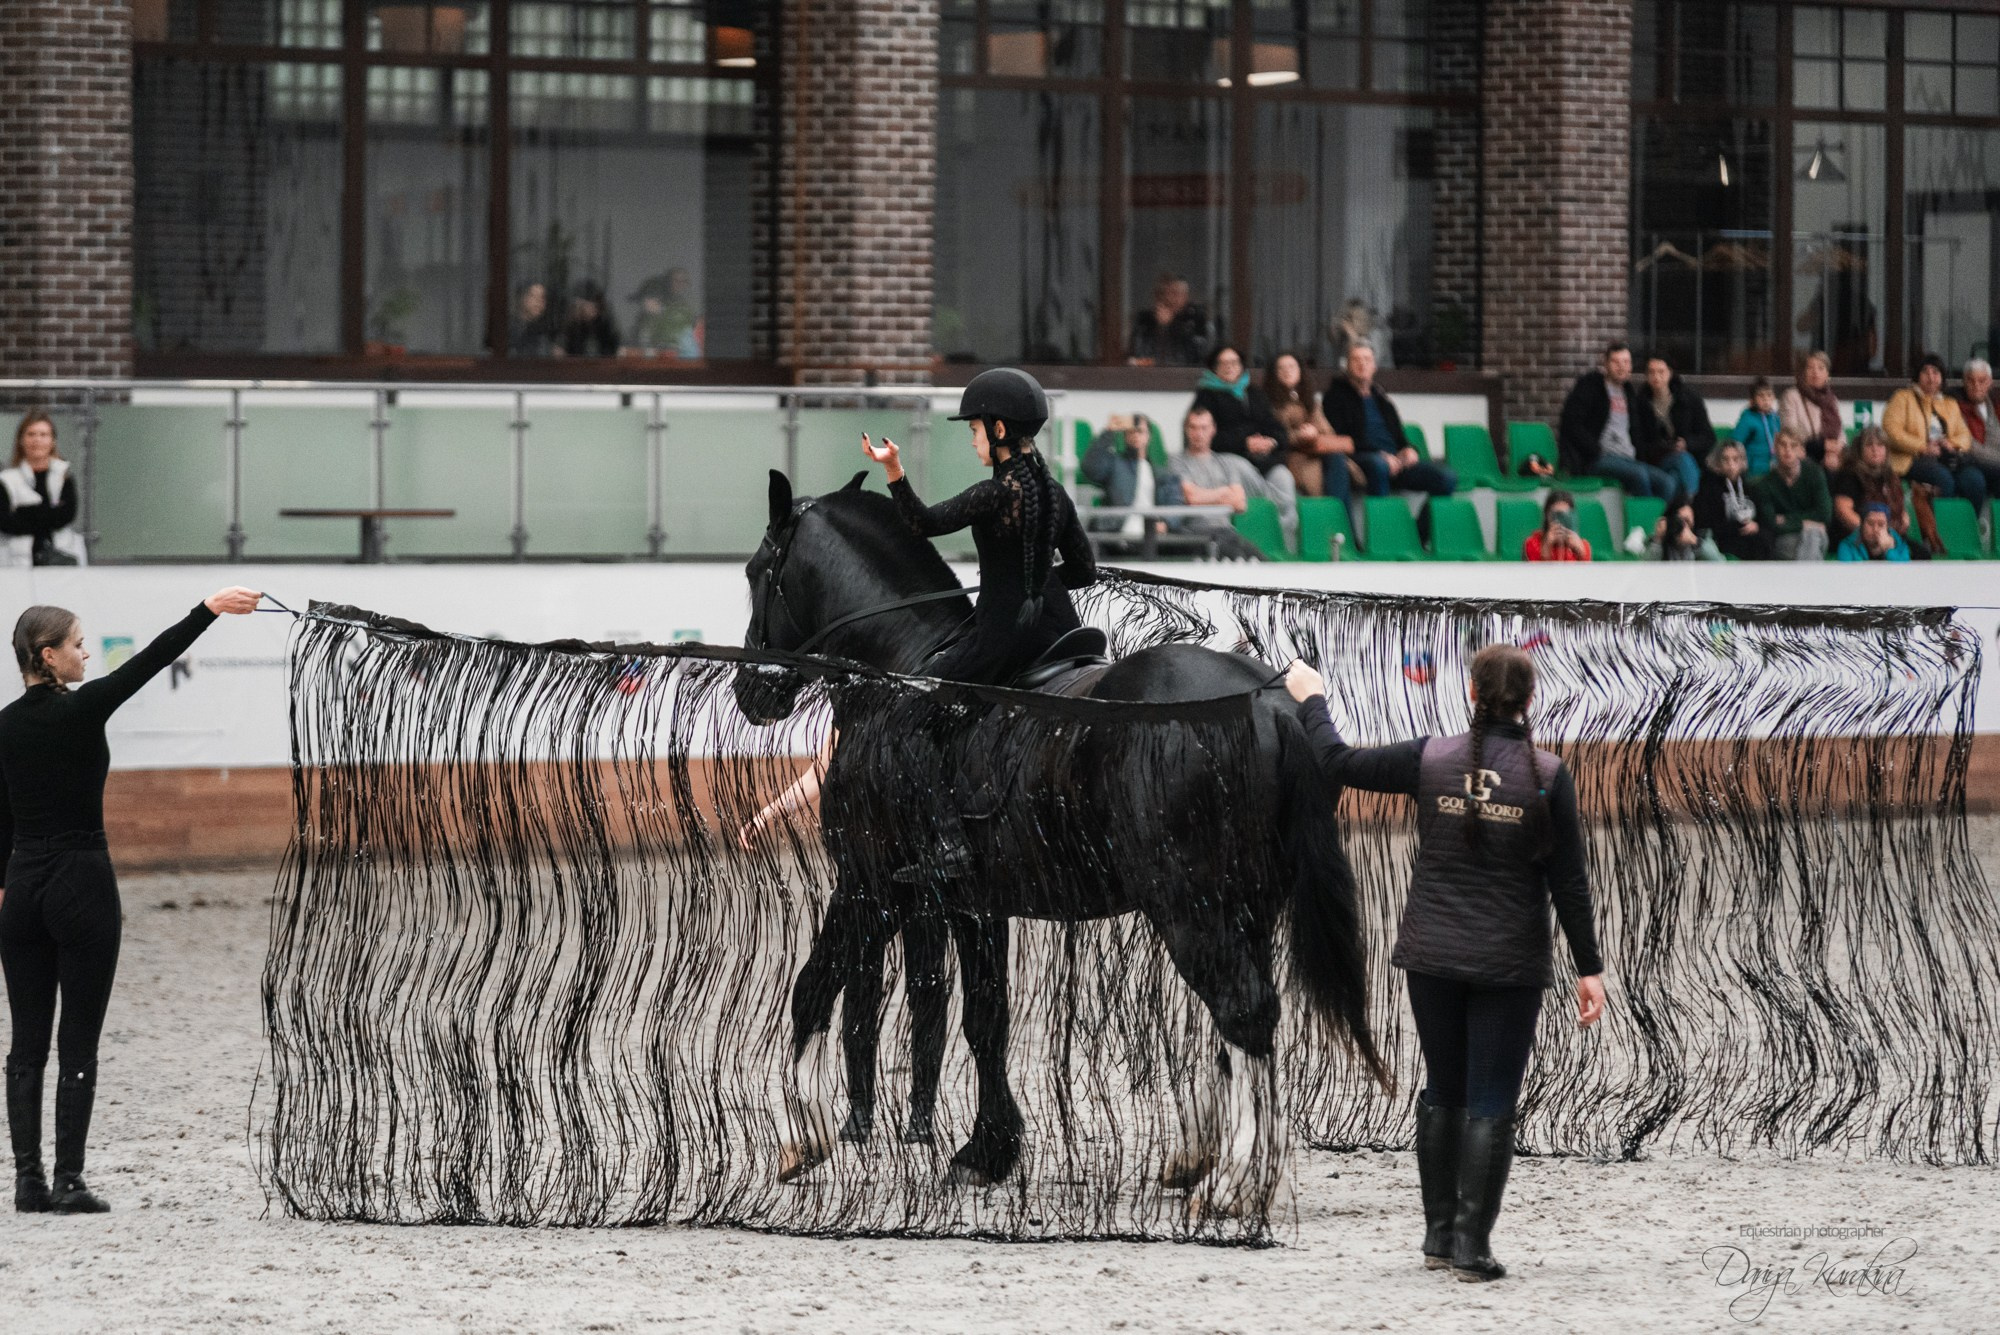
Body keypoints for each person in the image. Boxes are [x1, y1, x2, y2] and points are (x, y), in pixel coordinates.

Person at [1283, 646, 1605, 1284]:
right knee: (1491, 1099)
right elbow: (1569, 881)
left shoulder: (1428, 758)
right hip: (1508, 964)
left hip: (1430, 956)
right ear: (1530, 702)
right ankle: (1472, 1249)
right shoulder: (1548, 774)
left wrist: (1312, 697)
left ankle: (1437, 1238)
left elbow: (1336, 761)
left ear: (1471, 694)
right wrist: (1587, 967)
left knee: (1444, 1090)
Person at [3, 586, 263, 1214]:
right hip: (82, 880)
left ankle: (28, 1183)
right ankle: (68, 1181)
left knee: (26, 1042)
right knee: (79, 1040)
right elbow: (152, 659)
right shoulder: (83, 709)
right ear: (48, 656)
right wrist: (207, 610)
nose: (86, 655)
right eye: (78, 645)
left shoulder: (3, 725)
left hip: (22, 885)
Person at [1321, 343, 1457, 499]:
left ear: (1374, 367)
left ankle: (1421, 516)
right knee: (1379, 465)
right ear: (1347, 366)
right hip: (1362, 458)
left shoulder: (1382, 400)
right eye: (1356, 359)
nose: (1362, 364)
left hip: (1395, 460)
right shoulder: (1335, 398)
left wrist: (1408, 450)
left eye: (1367, 360)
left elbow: (1399, 436)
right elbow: (1342, 439)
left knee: (1446, 477)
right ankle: (1381, 514)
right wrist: (1380, 454)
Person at [1557, 342, 1677, 499]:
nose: (1621, 367)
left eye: (1626, 362)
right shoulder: (1591, 387)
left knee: (1667, 483)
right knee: (1639, 475)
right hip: (1599, 459)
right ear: (1605, 363)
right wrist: (1595, 449)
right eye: (1616, 362)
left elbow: (1639, 432)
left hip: (1628, 458)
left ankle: (1655, 514)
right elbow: (1571, 424)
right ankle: (1644, 514)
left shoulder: (1630, 393)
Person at [1171, 405, 1296, 545]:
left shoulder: (1226, 462)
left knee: (1256, 556)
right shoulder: (1176, 461)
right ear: (1186, 429)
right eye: (1193, 427)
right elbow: (1192, 497)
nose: (1198, 434)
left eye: (1203, 428)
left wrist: (1204, 495)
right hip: (1194, 532)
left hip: (1226, 532)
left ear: (1213, 429)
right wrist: (1225, 493)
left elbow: (1239, 503)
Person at [1883, 353, 1976, 503]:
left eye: (1935, 372)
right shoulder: (1902, 397)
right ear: (1917, 375)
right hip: (1911, 459)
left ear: (1942, 377)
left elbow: (1965, 435)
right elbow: (1891, 431)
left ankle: (1968, 518)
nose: (1931, 377)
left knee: (1974, 481)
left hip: (1944, 458)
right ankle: (1940, 519)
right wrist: (1923, 447)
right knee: (1944, 480)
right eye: (1925, 372)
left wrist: (1951, 444)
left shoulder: (1950, 403)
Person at [0, 414, 84, 568]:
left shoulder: (64, 476)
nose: (37, 440)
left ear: (53, 441)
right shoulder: (7, 479)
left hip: (61, 558)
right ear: (21, 440)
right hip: (18, 562)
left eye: (43, 434)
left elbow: (66, 515)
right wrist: (49, 512)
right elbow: (6, 522)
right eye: (31, 434)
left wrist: (24, 512)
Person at [1831, 426, 1929, 558]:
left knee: (1922, 555)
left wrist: (1903, 518)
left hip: (1889, 534)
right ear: (1860, 450)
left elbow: (1900, 509)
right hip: (1858, 538)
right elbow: (1843, 511)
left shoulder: (1891, 477)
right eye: (1869, 445)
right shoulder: (1849, 475)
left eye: (1880, 445)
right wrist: (1872, 532)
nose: (1875, 449)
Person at [1080, 414, 1184, 537]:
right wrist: (1108, 432)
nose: (1135, 435)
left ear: (1148, 436)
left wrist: (1166, 523)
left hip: (1152, 534)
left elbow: (1175, 502)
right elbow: (1091, 469)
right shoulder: (1115, 464)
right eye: (1131, 432)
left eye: (1140, 431)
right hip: (1117, 533)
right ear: (1125, 436)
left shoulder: (1162, 474)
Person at [1266, 352, 1350, 503]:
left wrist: (1314, 432)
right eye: (1281, 368)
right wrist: (1299, 435)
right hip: (1292, 455)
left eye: (1291, 367)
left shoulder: (1310, 400)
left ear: (1300, 371)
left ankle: (1339, 515)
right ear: (1274, 374)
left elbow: (1328, 431)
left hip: (1318, 450)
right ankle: (1332, 513)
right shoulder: (1269, 403)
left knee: (1337, 459)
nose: (1287, 371)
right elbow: (1276, 435)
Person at [1192, 346, 1288, 476]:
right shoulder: (1206, 397)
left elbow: (1275, 427)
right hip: (1227, 460)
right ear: (1214, 368)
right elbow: (1205, 436)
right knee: (1245, 470)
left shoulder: (1255, 393)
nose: (1229, 367)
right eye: (1223, 363)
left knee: (1282, 475)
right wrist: (1244, 443)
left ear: (1241, 366)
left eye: (1234, 362)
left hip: (1264, 458)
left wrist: (1271, 442)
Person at [1633, 354, 1713, 497]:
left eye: (1661, 372)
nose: (1656, 377)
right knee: (1680, 463)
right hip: (1656, 462)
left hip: (1689, 459)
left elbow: (1708, 437)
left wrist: (1687, 444)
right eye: (1651, 372)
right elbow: (1638, 441)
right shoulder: (1640, 403)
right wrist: (1660, 448)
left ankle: (1681, 506)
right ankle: (1693, 504)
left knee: (1675, 475)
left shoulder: (1688, 399)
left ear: (1670, 372)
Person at [1749, 430, 1832, 562]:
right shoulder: (1765, 483)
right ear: (1775, 449)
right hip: (1785, 538)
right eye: (1783, 445)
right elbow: (1770, 523)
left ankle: (1802, 573)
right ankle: (1809, 573)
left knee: (1813, 535)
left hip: (1814, 534)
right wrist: (1806, 523)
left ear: (1801, 450)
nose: (1788, 450)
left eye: (1793, 445)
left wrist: (1786, 519)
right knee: (1812, 540)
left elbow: (1824, 514)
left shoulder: (1815, 473)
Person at [1691, 439, 1771, 560]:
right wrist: (1738, 526)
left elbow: (1765, 519)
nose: (1731, 464)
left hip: (1752, 540)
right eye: (1725, 459)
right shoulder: (1708, 488)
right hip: (1725, 541)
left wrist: (1756, 526)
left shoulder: (1752, 487)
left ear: (1742, 461)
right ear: (1718, 462)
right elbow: (1709, 524)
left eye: (1735, 459)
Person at [1126, 275, 1211, 367]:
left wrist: (1172, 325)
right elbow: (1137, 351)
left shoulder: (1196, 318)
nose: (1172, 299)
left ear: (1186, 296)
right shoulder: (1145, 320)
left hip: (1184, 372)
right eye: (1169, 293)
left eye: (1178, 293)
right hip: (1149, 372)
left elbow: (1197, 353)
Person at [1779, 350, 1846, 467]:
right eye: (1810, 368)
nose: (1815, 372)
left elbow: (1841, 433)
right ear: (1803, 372)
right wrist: (1822, 445)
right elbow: (1790, 432)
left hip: (1830, 459)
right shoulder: (1792, 396)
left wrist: (1836, 449)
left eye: (1821, 368)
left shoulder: (1831, 399)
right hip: (1803, 458)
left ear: (1827, 374)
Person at [1950, 358, 2000, 507]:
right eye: (1971, 381)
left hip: (1994, 465)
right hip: (1966, 463)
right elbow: (1970, 447)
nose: (1976, 386)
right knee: (1974, 481)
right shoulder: (1955, 405)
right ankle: (1973, 521)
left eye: (1981, 381)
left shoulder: (1995, 405)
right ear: (1964, 382)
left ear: (1990, 382)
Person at [629, 268, 703, 359]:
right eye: (675, 280)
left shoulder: (682, 312)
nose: (679, 284)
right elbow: (638, 340)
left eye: (683, 281)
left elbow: (681, 341)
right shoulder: (645, 319)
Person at [1730, 377, 1783, 478]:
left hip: (1774, 468)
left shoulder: (1775, 418)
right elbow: (1735, 443)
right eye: (1761, 396)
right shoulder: (1748, 419)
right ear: (1752, 400)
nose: (1766, 399)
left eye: (1769, 395)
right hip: (1753, 470)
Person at [557, 280, 621, 358]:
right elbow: (560, 348)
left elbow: (617, 348)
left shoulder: (605, 323)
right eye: (580, 306)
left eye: (584, 305)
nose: (581, 309)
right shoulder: (572, 324)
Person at [1521, 491, 1591, 562]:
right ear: (1547, 515)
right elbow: (1535, 568)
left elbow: (1587, 568)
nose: (1561, 521)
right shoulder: (1533, 543)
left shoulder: (1582, 545)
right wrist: (1547, 546)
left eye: (1566, 516)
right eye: (1557, 515)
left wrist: (1581, 553)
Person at [1644, 502, 1722, 561]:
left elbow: (1720, 563)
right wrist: (1658, 540)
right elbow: (1645, 567)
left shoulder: (1702, 537)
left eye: (1687, 521)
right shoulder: (1659, 539)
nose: (1683, 526)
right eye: (1680, 520)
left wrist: (1695, 541)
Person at [1836, 503, 1911, 562]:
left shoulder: (1900, 545)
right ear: (1862, 525)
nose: (1875, 529)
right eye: (1870, 523)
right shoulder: (1848, 546)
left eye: (1881, 524)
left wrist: (1889, 550)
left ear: (1887, 528)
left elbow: (1902, 573)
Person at [508, 281, 558, 357]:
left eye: (542, 298)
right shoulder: (509, 327)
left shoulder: (544, 328)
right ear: (522, 298)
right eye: (533, 296)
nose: (539, 302)